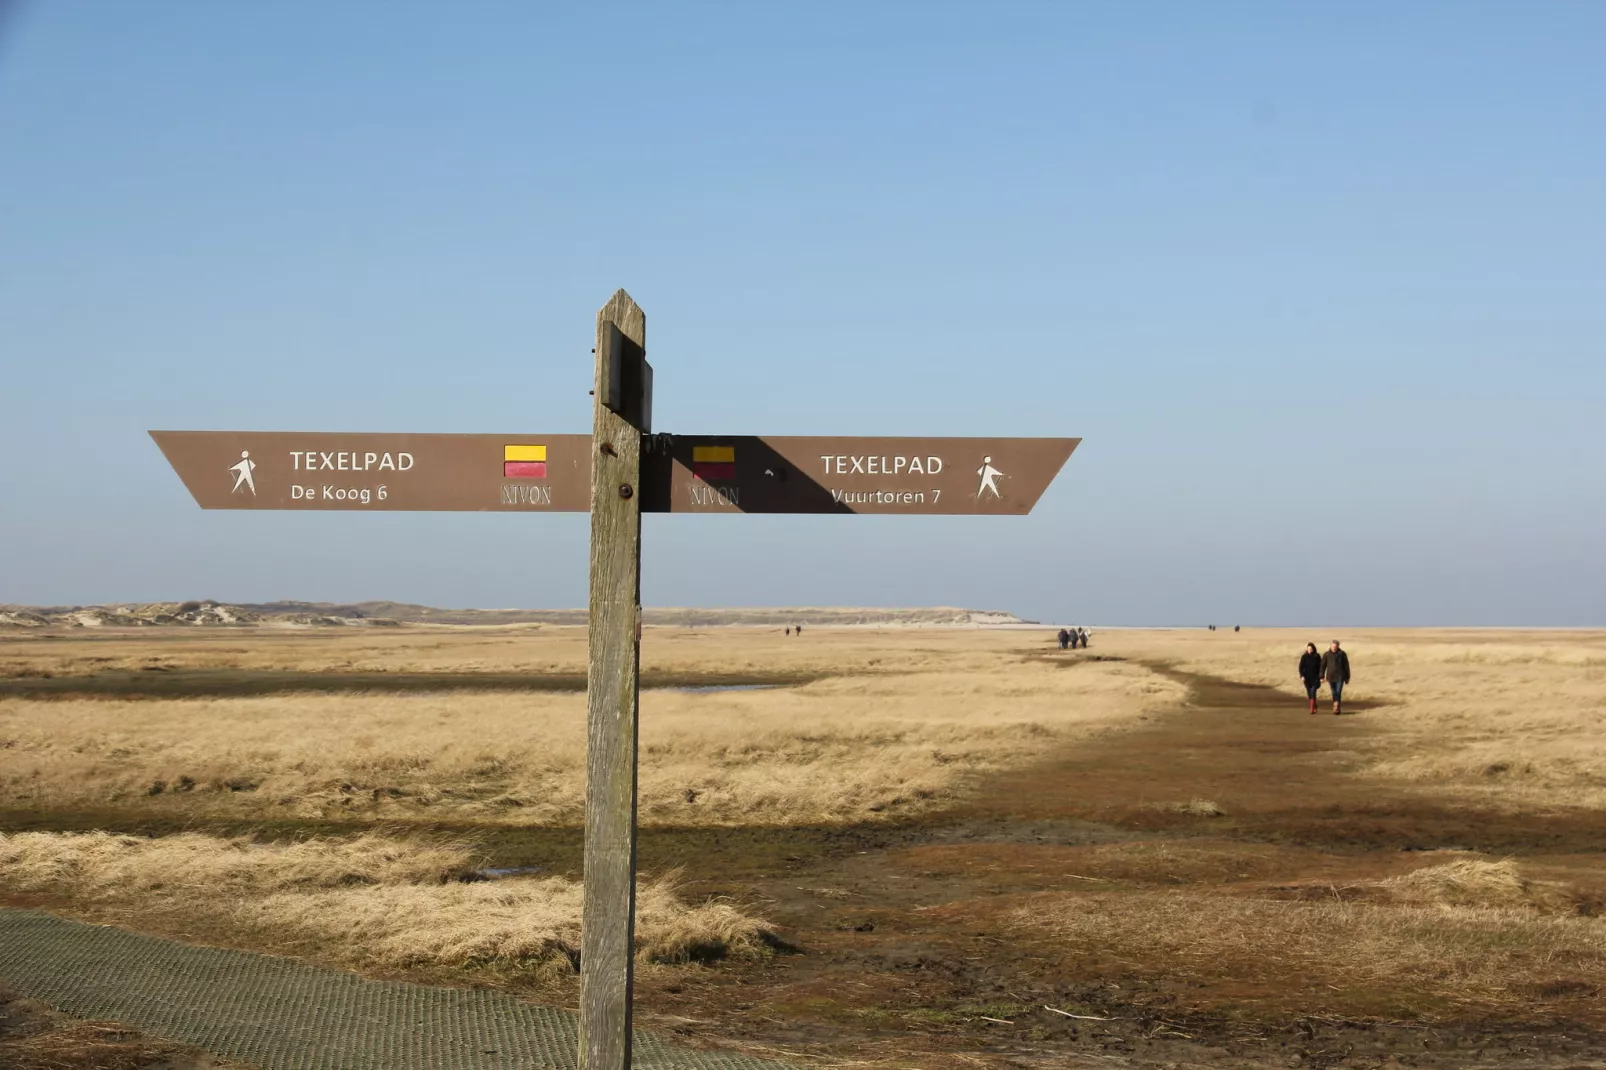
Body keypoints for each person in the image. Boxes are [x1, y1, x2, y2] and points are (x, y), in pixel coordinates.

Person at [1321, 640, 1351, 715]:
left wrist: (1347, 677)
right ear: (1330, 646)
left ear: (1338, 647)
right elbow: (1322, 666)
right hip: (1330, 677)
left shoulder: (1342, 654)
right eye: (1332, 646)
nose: (1334, 648)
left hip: (1340, 676)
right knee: (1334, 692)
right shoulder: (1326, 654)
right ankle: (1336, 705)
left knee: (1338, 692)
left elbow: (1346, 666)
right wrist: (1321, 676)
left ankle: (1336, 707)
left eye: (1335, 647)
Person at [1298, 642, 1323, 715]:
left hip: (1315, 678)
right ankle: (1314, 705)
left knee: (1313, 692)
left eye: (1311, 649)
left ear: (1313, 649)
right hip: (1307, 678)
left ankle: (1312, 709)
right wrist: (1302, 676)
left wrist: (1321, 676)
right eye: (1308, 649)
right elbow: (1300, 667)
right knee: (1309, 693)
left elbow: (1321, 667)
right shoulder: (1304, 657)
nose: (1309, 650)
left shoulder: (1317, 656)